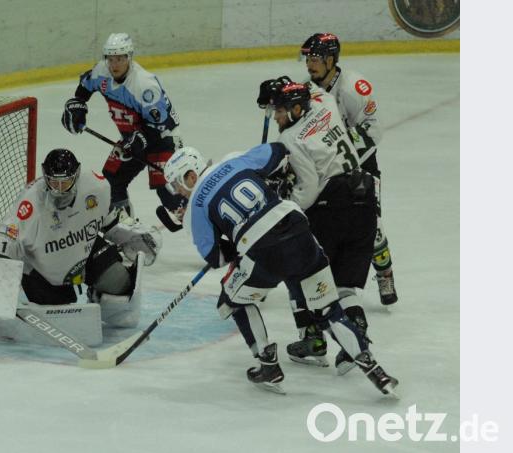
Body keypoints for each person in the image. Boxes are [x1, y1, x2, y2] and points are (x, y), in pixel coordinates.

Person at [163, 144, 397, 396]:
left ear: (190, 175)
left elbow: (216, 256)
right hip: (300, 231)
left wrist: (229, 234)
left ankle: (268, 364)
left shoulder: (194, 208)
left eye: (177, 184)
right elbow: (278, 151)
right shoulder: (234, 158)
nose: (178, 192)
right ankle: (375, 371)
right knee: (329, 309)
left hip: (265, 251)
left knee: (230, 300)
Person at [0, 148, 162, 345]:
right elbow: (8, 233)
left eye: (65, 183)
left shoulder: (96, 187)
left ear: (77, 175)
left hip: (85, 248)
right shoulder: (31, 203)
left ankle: (96, 292)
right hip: (42, 268)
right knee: (60, 315)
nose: (59, 190)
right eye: (54, 182)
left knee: (120, 284)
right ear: (46, 178)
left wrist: (134, 234)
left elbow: (110, 220)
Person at [256, 78, 377, 374]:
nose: (276, 117)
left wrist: (284, 205)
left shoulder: (290, 139)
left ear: (297, 109)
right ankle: (357, 339)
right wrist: (286, 86)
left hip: (332, 208)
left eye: (281, 111)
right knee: (346, 287)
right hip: (366, 200)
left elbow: (308, 190)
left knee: (302, 271)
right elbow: (314, 89)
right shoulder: (324, 102)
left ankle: (313, 341)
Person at [301, 32, 398, 306]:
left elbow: (374, 130)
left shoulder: (354, 87)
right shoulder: (307, 92)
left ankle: (385, 272)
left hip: (361, 165)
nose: (310, 64)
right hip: (328, 169)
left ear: (332, 60)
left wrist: (341, 145)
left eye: (316, 58)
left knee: (372, 226)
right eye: (308, 58)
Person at [60, 32, 185, 221]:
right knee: (111, 182)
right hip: (132, 138)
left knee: (166, 191)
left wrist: (139, 139)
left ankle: (200, 219)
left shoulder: (144, 85)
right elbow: (85, 87)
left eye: (120, 58)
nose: (115, 64)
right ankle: (128, 229)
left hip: (162, 139)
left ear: (129, 57)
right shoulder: (102, 71)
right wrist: (78, 105)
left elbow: (161, 123)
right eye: (111, 58)